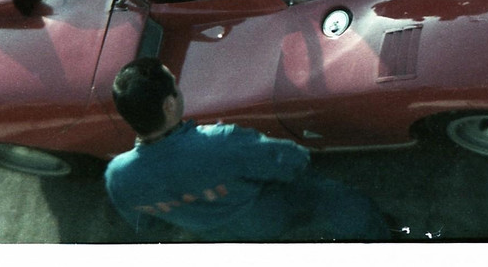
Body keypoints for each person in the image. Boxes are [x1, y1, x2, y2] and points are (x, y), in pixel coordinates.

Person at [104, 57, 393, 241]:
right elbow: (293, 160)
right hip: (266, 214)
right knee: (342, 202)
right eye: (175, 86)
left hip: (217, 234)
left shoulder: (117, 175)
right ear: (169, 105)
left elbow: (147, 224)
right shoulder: (221, 141)